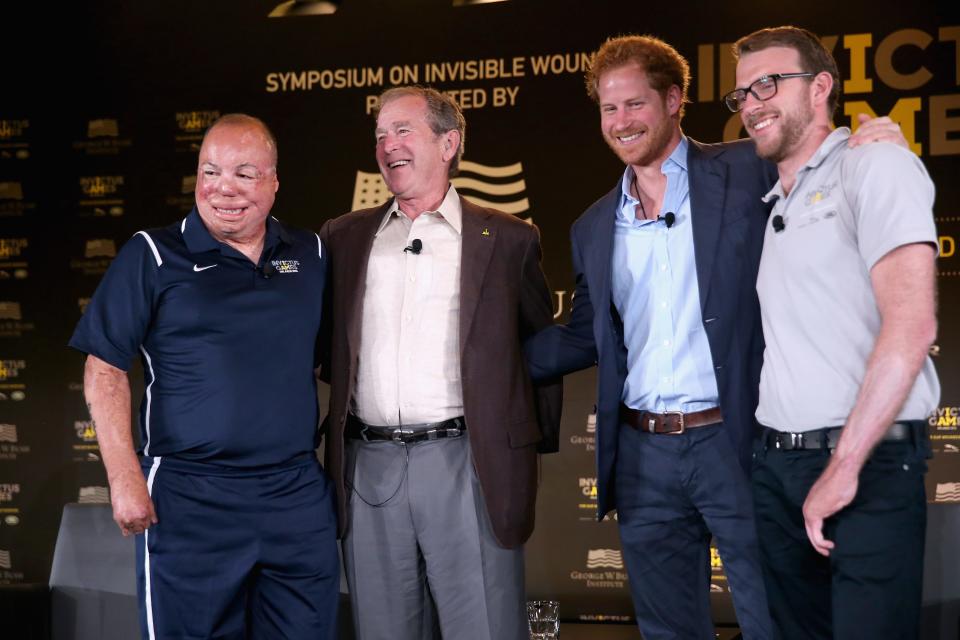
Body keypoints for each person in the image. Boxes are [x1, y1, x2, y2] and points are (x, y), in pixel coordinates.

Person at [524, 35, 905, 640]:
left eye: (634, 104)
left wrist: (869, 148)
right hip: (643, 455)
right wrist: (479, 364)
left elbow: (820, 165)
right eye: (608, 108)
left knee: (774, 619)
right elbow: (583, 335)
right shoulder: (593, 225)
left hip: (740, 442)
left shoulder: (746, 168)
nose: (620, 122)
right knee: (668, 629)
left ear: (674, 99)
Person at [69, 114, 339, 639]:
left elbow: (335, 357)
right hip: (191, 498)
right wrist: (124, 479)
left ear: (275, 182)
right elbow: (103, 368)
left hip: (295, 497)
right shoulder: (152, 254)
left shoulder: (310, 254)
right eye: (210, 172)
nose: (224, 189)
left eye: (244, 173)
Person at [318, 86, 561, 640]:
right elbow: (327, 349)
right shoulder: (344, 238)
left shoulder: (508, 239)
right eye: (380, 134)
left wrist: (519, 444)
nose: (387, 145)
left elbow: (541, 352)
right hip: (368, 465)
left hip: (468, 463)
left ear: (449, 142)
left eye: (403, 131)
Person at [731, 26, 939, 639]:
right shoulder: (775, 201)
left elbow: (912, 324)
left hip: (866, 463)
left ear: (821, 86)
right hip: (777, 466)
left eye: (769, 83)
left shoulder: (875, 164)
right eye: (741, 93)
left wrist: (843, 467)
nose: (752, 103)